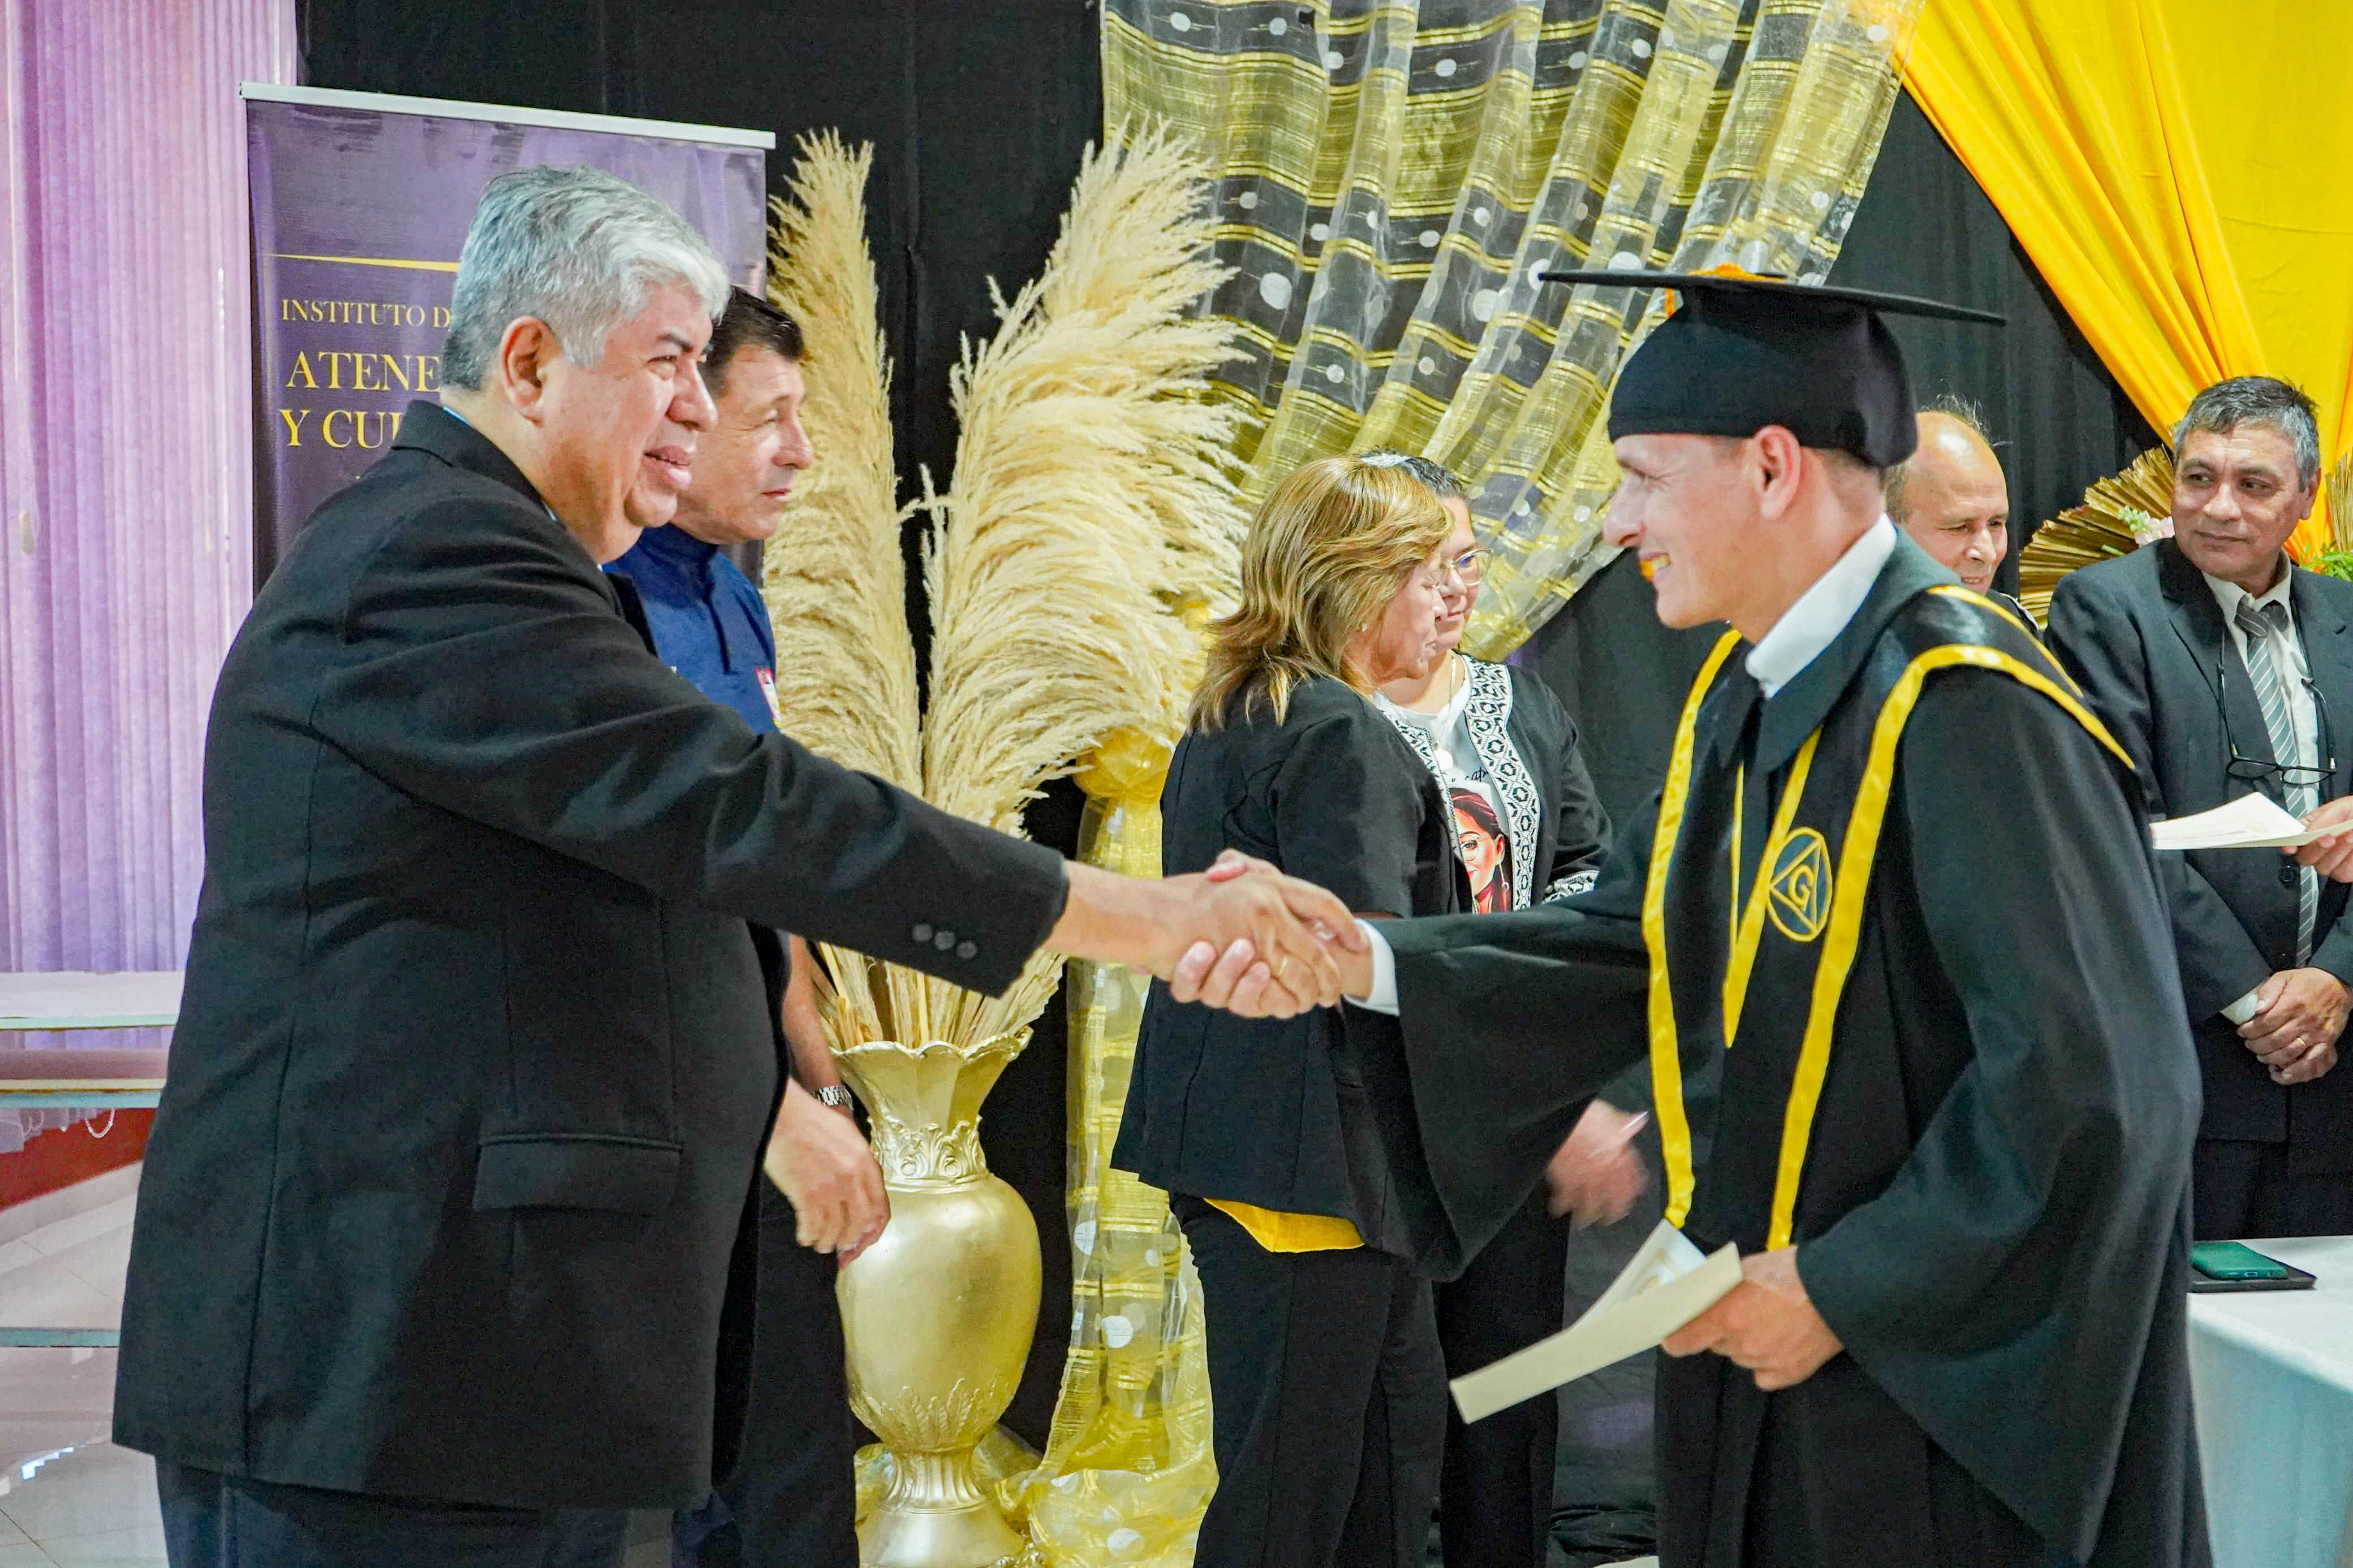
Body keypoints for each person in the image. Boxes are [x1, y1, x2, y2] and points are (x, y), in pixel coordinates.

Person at [114, 165, 1359, 1568]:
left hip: (477, 1379)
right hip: (384, 1376)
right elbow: (740, 805)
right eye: (668, 367)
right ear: (529, 362)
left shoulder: (506, 562)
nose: (701, 413)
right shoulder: (432, 561)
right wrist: (1136, 916)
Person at [1192, 270, 2210, 1567]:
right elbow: (1629, 939)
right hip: (1772, 1352)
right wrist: (1366, 958)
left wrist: (1844, 1289)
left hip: (1927, 1411)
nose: (1615, 522)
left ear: (1772, 468)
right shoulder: (1753, 690)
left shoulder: (1967, 704)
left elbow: (2099, 1090)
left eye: (1642, 477)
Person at [1111, 455, 1467, 1568]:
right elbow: (1357, 958)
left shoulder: (1230, 712)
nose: (1451, 599)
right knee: (1305, 1502)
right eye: (1425, 573)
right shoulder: (1340, 736)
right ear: (1356, 587)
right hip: (1324, 1177)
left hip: (1244, 1158)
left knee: (1340, 1479)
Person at [600, 287, 862, 1567]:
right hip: (668, 1111)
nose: (797, 452)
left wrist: (819, 1069)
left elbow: (764, 870)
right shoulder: (593, 604)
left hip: (769, 1088)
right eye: (770, 419)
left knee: (797, 1463)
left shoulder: (736, 600)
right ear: (676, 411)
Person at [1359, 449, 1643, 1568]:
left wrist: (1563, 1084)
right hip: (1369, 1125)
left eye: (1467, 560)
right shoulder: (1304, 717)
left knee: (1507, 1405)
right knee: (1373, 1415)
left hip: (1513, 1132)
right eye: (1426, 564)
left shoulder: (1519, 704)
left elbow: (1585, 875)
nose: (1457, 588)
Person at [2048, 375, 2353, 1239]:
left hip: (2338, 1066)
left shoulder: (2348, 619)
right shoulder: (2109, 609)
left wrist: (2336, 978)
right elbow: (2108, 831)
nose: (2218, 507)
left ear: (2303, 496)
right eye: (2198, 478)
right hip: (2194, 1064)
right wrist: (2263, 1008)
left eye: (2252, 485)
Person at [1885, 395, 2035, 629]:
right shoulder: (1836, 646)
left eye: (1995, 524)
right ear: (1888, 527)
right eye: (1960, 527)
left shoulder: (2015, 628)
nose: (1988, 553)